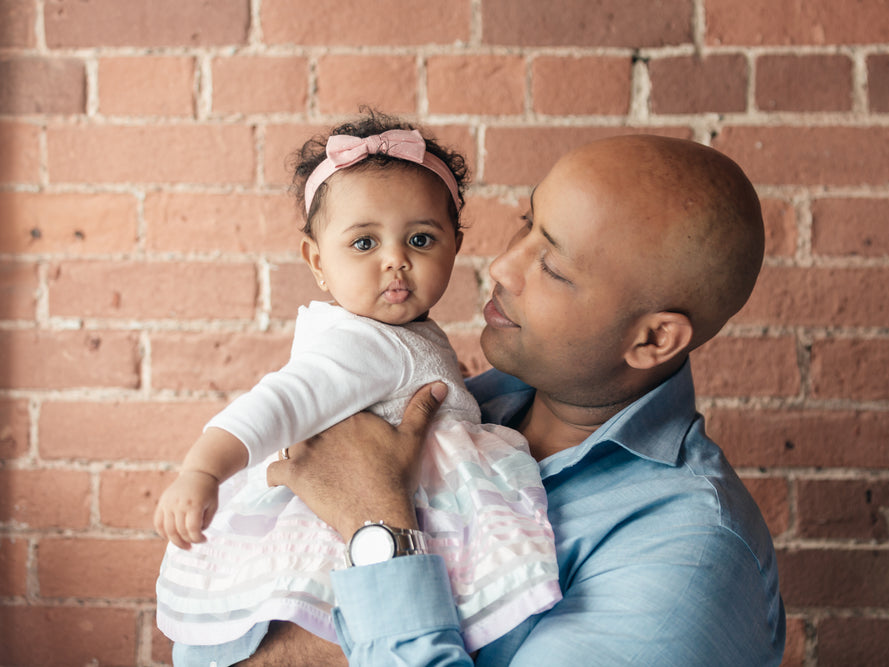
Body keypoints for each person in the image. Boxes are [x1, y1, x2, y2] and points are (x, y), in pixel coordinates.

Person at [222, 133, 786, 665]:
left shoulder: (686, 555)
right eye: (527, 223)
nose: (502, 266)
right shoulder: (460, 408)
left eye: (554, 268)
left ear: (653, 338)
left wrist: (377, 525)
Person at [153, 112, 562, 665]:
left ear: (455, 246)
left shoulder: (394, 335)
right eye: (364, 243)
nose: (395, 259)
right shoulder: (364, 345)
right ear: (318, 261)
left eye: (420, 238)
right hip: (364, 513)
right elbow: (279, 402)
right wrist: (203, 471)